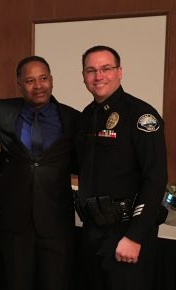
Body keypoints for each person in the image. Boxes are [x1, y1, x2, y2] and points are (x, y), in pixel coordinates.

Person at [76, 45, 168, 290]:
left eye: (106, 68)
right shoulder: (86, 116)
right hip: (93, 231)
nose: (98, 76)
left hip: (126, 232)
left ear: (120, 72)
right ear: (83, 76)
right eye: (91, 70)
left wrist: (134, 236)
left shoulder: (141, 116)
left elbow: (155, 178)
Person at [0, 56, 81, 290]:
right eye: (30, 80)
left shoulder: (73, 118)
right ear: (19, 84)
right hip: (14, 224)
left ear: (51, 80)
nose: (38, 85)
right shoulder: (2, 111)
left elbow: (80, 162)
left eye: (43, 78)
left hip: (56, 224)